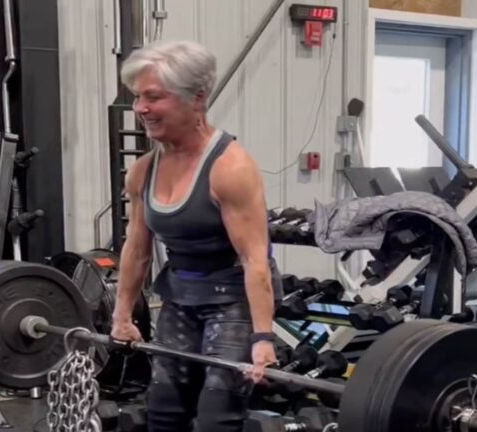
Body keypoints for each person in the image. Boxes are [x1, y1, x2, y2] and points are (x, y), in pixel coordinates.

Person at [110, 40, 284, 432]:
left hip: (233, 302)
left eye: (153, 97)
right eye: (138, 97)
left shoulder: (230, 168)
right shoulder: (141, 171)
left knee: (216, 418)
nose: (140, 108)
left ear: (197, 99)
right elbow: (137, 249)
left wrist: (262, 337)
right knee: (165, 410)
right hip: (180, 296)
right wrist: (121, 315)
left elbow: (256, 259)